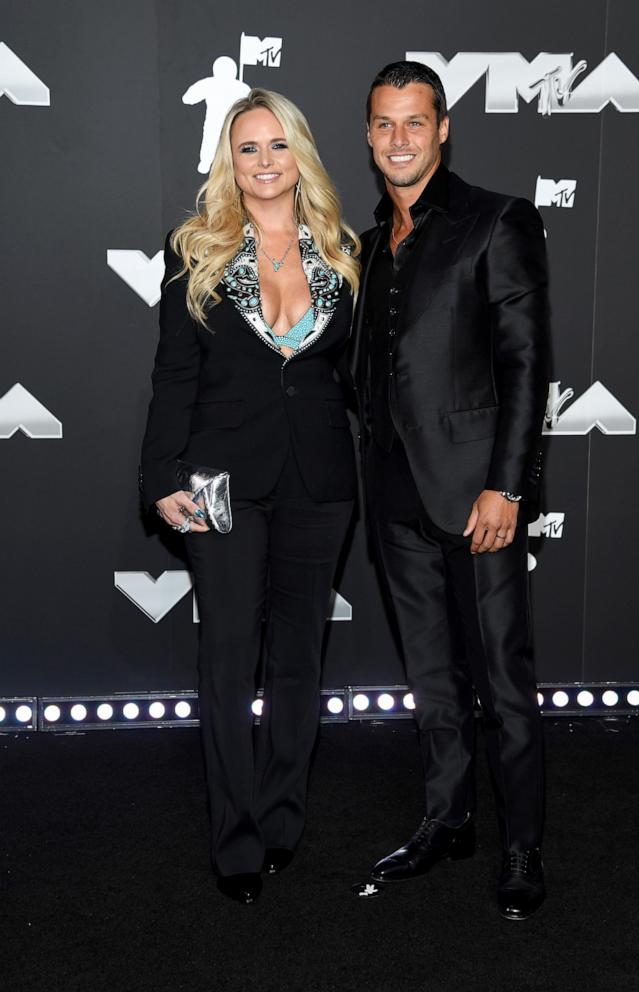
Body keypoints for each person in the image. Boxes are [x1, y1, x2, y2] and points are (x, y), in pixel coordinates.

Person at [140, 89, 360, 905]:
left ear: (299, 153)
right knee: (228, 661)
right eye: (247, 149)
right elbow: (173, 373)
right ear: (228, 164)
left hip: (321, 482)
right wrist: (161, 474)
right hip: (220, 481)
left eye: (276, 146)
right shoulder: (194, 249)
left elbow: (355, 376)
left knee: (299, 661)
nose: (263, 162)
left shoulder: (342, 251)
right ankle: (233, 839)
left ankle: (281, 818)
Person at [350, 62, 550, 920]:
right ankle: (447, 820)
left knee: (500, 682)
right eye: (384, 124)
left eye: (414, 123)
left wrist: (505, 487)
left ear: (442, 130)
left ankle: (521, 846)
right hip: (392, 496)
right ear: (367, 135)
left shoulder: (496, 220)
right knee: (433, 682)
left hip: (476, 501)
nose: (399, 139)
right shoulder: (367, 243)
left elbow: (525, 364)